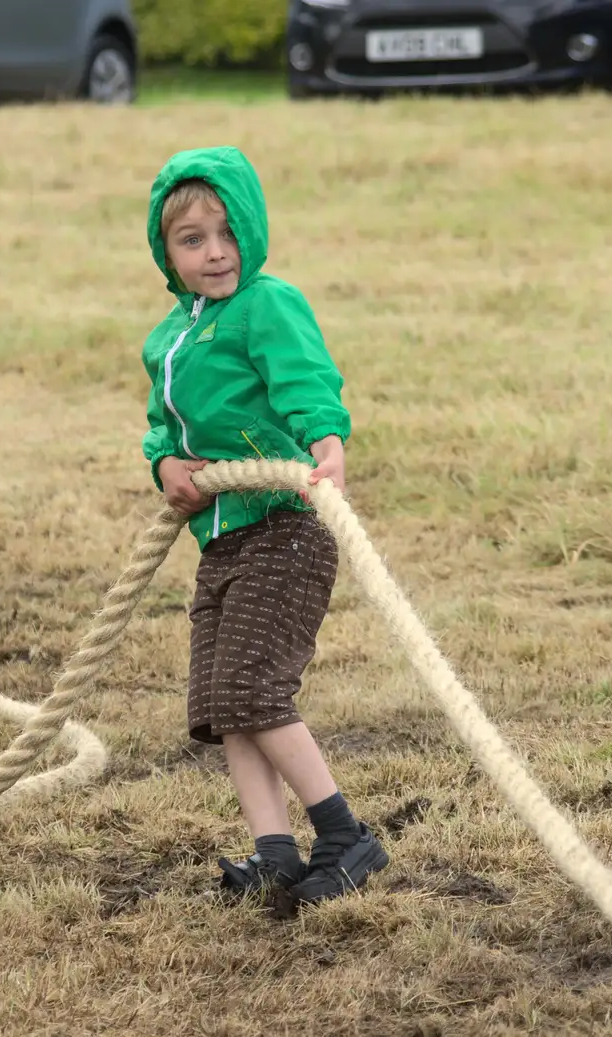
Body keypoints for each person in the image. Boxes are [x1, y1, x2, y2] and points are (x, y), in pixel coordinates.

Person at [138, 145, 388, 905]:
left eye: (227, 232)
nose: (215, 252)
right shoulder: (168, 338)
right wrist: (164, 467)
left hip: (281, 527)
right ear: (167, 251)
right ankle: (274, 852)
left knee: (252, 688)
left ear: (250, 228)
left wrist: (325, 440)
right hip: (222, 538)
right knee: (221, 707)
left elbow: (305, 375)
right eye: (192, 239)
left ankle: (344, 833)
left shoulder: (267, 302)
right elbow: (164, 427)